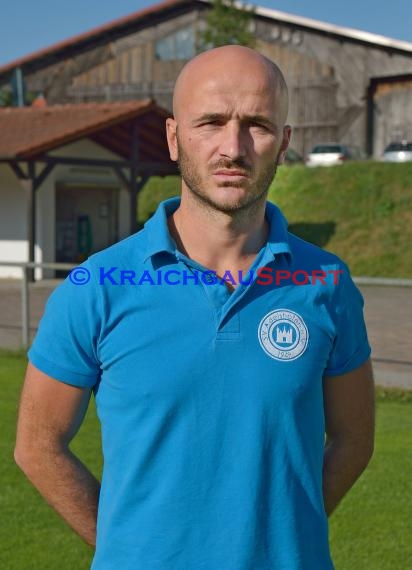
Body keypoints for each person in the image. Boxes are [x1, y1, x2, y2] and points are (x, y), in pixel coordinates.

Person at [15, 45, 374, 569]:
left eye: (257, 124)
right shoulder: (98, 284)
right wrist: (128, 546)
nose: (234, 147)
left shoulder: (326, 281)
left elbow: (354, 439)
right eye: (210, 122)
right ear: (174, 137)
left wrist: (285, 537)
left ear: (285, 141)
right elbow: (37, 446)